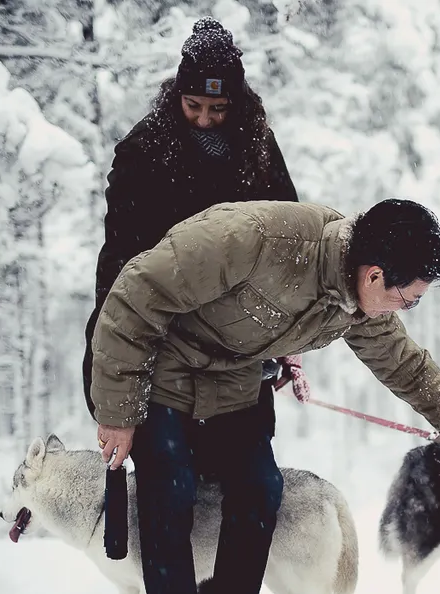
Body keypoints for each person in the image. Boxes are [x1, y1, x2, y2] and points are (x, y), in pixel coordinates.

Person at [90, 198, 440, 594]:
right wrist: (117, 411)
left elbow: (401, 360)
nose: (405, 310)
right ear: (374, 275)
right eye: (406, 300)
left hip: (232, 376)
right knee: (171, 494)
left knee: (259, 487)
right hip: (161, 365)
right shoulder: (257, 239)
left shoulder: (357, 299)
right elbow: (134, 294)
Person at [83, 16, 298, 421]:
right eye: (193, 106)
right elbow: (121, 251)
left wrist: (285, 340)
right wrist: (111, 336)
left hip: (238, 339)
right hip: (165, 327)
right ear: (176, 97)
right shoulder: (141, 151)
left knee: (248, 477)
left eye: (218, 109)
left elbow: (287, 244)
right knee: (168, 472)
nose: (203, 119)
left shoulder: (259, 149)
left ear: (236, 104)